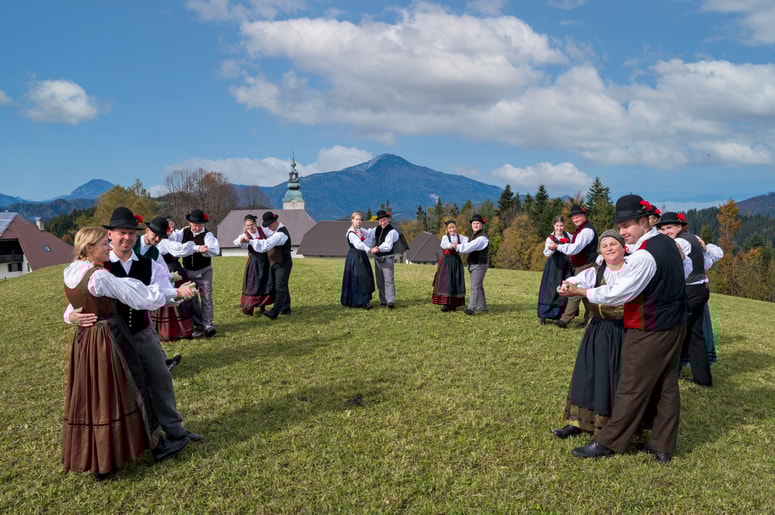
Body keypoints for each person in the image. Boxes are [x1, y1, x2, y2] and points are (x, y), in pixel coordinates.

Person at [560, 195, 687, 463]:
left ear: (645, 221)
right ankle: (662, 445)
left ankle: (609, 442)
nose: (623, 232)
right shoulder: (669, 243)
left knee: (631, 386)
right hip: (675, 324)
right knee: (666, 385)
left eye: (627, 225)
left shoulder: (644, 255)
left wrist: (582, 292)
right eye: (620, 227)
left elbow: (619, 293)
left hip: (649, 327)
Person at [67, 208, 202, 456]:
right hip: (112, 340)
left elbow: (161, 293)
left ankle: (175, 431)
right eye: (121, 233)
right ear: (110, 235)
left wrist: (178, 295)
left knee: (160, 379)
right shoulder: (97, 266)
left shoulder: (150, 263)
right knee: (121, 389)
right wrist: (71, 316)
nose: (127, 238)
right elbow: (77, 301)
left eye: (131, 233)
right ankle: (138, 439)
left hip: (141, 331)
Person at [552, 230, 627, 439]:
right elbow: (576, 280)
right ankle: (579, 422)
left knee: (615, 376)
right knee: (588, 373)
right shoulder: (596, 272)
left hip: (623, 330)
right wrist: (567, 285)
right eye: (604, 245)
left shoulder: (632, 271)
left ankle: (613, 425)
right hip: (598, 328)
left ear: (623, 247)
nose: (609, 248)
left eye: (613, 244)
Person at [656, 212, 713, 387]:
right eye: (662, 229)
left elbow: (668, 265)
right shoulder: (692, 238)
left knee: (674, 330)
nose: (666, 232)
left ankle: (670, 372)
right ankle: (703, 379)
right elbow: (707, 263)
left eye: (669, 228)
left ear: (679, 227)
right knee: (695, 334)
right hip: (700, 289)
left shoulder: (681, 242)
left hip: (690, 291)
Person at [136, 216, 199, 368]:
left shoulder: (155, 253)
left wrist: (174, 292)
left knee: (148, 330)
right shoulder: (132, 242)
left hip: (143, 294)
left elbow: (163, 273)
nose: (157, 239)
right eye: (155, 235)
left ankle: (162, 362)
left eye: (160, 236)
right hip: (128, 294)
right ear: (147, 230)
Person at [168, 209, 220, 338]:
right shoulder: (183, 232)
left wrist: (205, 250)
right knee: (192, 298)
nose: (197, 228)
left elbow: (214, 250)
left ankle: (208, 325)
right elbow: (171, 240)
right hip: (187, 271)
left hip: (204, 271)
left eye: (200, 225)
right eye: (195, 225)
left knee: (206, 297)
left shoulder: (208, 235)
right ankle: (198, 325)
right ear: (189, 223)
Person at [548, 204, 598, 328]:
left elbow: (575, 249)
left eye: (578, 217)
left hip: (587, 265)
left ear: (583, 216)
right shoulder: (581, 229)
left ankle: (565, 320)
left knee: (574, 291)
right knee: (586, 294)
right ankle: (591, 320)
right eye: (573, 218)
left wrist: (558, 246)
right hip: (583, 265)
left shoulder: (586, 231)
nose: (575, 220)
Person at [250, 211, 292, 320]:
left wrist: (250, 241)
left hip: (283, 263)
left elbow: (265, 245)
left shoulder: (280, 234)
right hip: (275, 263)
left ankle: (275, 312)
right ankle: (285, 308)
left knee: (280, 287)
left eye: (269, 225)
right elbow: (263, 231)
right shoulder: (275, 230)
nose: (268, 228)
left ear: (275, 223)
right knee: (281, 286)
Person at [235, 214, 274, 315]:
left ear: (255, 224)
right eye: (247, 225)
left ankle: (263, 306)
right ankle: (249, 307)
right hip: (254, 261)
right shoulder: (245, 235)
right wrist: (241, 241)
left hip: (265, 260)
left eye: (251, 225)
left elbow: (272, 235)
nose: (249, 227)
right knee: (253, 284)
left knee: (264, 282)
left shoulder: (262, 230)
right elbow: (236, 242)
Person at [537, 216, 573, 324]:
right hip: (554, 266)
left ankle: (559, 315)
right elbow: (546, 253)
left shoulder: (569, 236)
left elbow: (573, 248)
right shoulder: (550, 238)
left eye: (561, 226)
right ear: (554, 226)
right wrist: (551, 249)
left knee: (564, 288)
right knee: (551, 288)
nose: (559, 228)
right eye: (557, 226)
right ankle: (544, 315)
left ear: (564, 225)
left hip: (565, 265)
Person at [341, 211, 375, 309]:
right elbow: (358, 244)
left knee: (365, 276)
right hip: (355, 257)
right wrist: (369, 249)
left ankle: (365, 300)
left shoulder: (360, 230)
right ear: (352, 220)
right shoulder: (351, 233)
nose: (359, 221)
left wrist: (379, 227)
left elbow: (369, 233)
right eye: (357, 219)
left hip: (362, 255)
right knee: (358, 277)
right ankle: (357, 301)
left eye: (360, 219)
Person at [456, 214, 489, 316]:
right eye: (474, 223)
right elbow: (466, 240)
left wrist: (456, 247)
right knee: (478, 286)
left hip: (479, 264)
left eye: (477, 223)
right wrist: (454, 234)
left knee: (475, 286)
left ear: (481, 224)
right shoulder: (473, 236)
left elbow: (470, 246)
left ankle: (471, 308)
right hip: (473, 264)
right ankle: (482, 306)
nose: (475, 225)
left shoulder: (482, 238)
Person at [432, 220, 467, 312]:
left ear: (456, 228)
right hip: (447, 261)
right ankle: (446, 304)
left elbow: (468, 241)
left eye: (453, 227)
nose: (452, 230)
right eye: (450, 228)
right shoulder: (445, 237)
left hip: (456, 261)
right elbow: (444, 245)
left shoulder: (460, 237)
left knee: (456, 281)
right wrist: (451, 245)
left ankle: (454, 304)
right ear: (447, 230)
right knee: (446, 282)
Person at [370, 210, 399, 308]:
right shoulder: (377, 229)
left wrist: (378, 248)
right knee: (380, 280)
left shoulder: (392, 231)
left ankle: (390, 301)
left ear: (388, 219)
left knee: (388, 280)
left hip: (387, 258)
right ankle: (383, 300)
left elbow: (388, 245)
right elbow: (369, 235)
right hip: (378, 257)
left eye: (384, 220)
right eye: (381, 221)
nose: (382, 222)